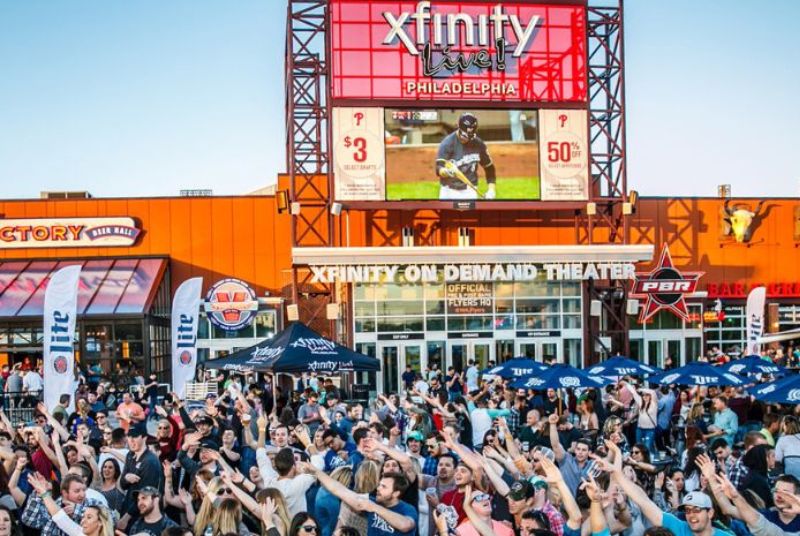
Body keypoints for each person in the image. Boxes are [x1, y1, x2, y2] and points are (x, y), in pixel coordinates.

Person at [304, 462, 417, 536]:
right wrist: (316, 471)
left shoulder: (407, 509)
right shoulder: (372, 502)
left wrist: (374, 507)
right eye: (379, 484)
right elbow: (339, 489)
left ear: (396, 493)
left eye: (384, 487)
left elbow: (405, 525)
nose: (378, 488)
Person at [436, 112, 497, 200]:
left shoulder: (478, 144)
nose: (467, 139)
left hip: (470, 191)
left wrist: (491, 190)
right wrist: (446, 172)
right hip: (449, 192)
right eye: (465, 136)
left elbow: (489, 168)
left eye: (470, 137)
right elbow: (438, 169)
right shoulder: (447, 143)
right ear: (458, 128)